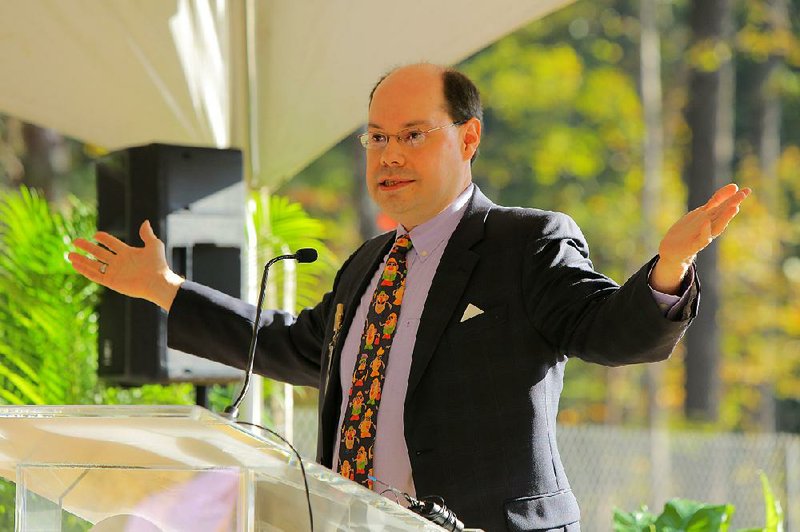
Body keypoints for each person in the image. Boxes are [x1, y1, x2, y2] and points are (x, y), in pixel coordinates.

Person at [69, 63, 750, 531]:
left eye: (412, 135)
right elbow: (297, 349)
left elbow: (609, 331)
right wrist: (165, 290)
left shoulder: (524, 241)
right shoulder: (367, 263)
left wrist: (670, 264)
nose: (388, 155)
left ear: (469, 136)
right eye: (377, 138)